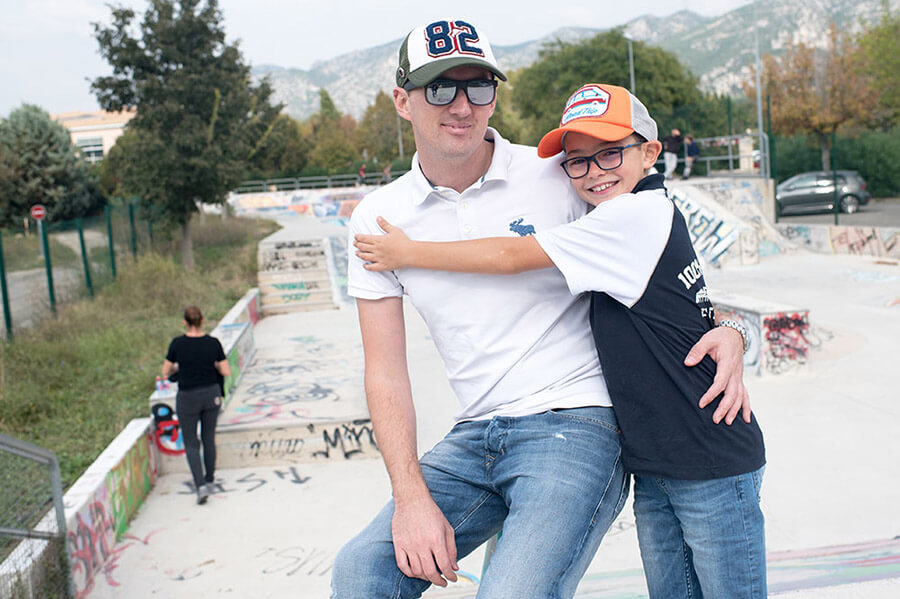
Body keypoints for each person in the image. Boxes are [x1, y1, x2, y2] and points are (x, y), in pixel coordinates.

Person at [332, 21, 749, 599]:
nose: (462, 105)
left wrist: (730, 330)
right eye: (440, 87)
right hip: (475, 433)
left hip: (576, 423)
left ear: (495, 96)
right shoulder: (376, 219)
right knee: (359, 571)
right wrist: (410, 500)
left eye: (478, 87)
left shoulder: (563, 171)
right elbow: (383, 370)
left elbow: (660, 267)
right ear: (402, 100)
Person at [162, 305, 230, 505]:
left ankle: (199, 485)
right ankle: (210, 481)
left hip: (187, 398)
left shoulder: (177, 344)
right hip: (211, 395)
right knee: (209, 437)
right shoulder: (213, 343)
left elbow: (166, 370)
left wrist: (179, 366)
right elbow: (225, 371)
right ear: (202, 320)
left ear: (185, 322)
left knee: (191, 442)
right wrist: (213, 365)